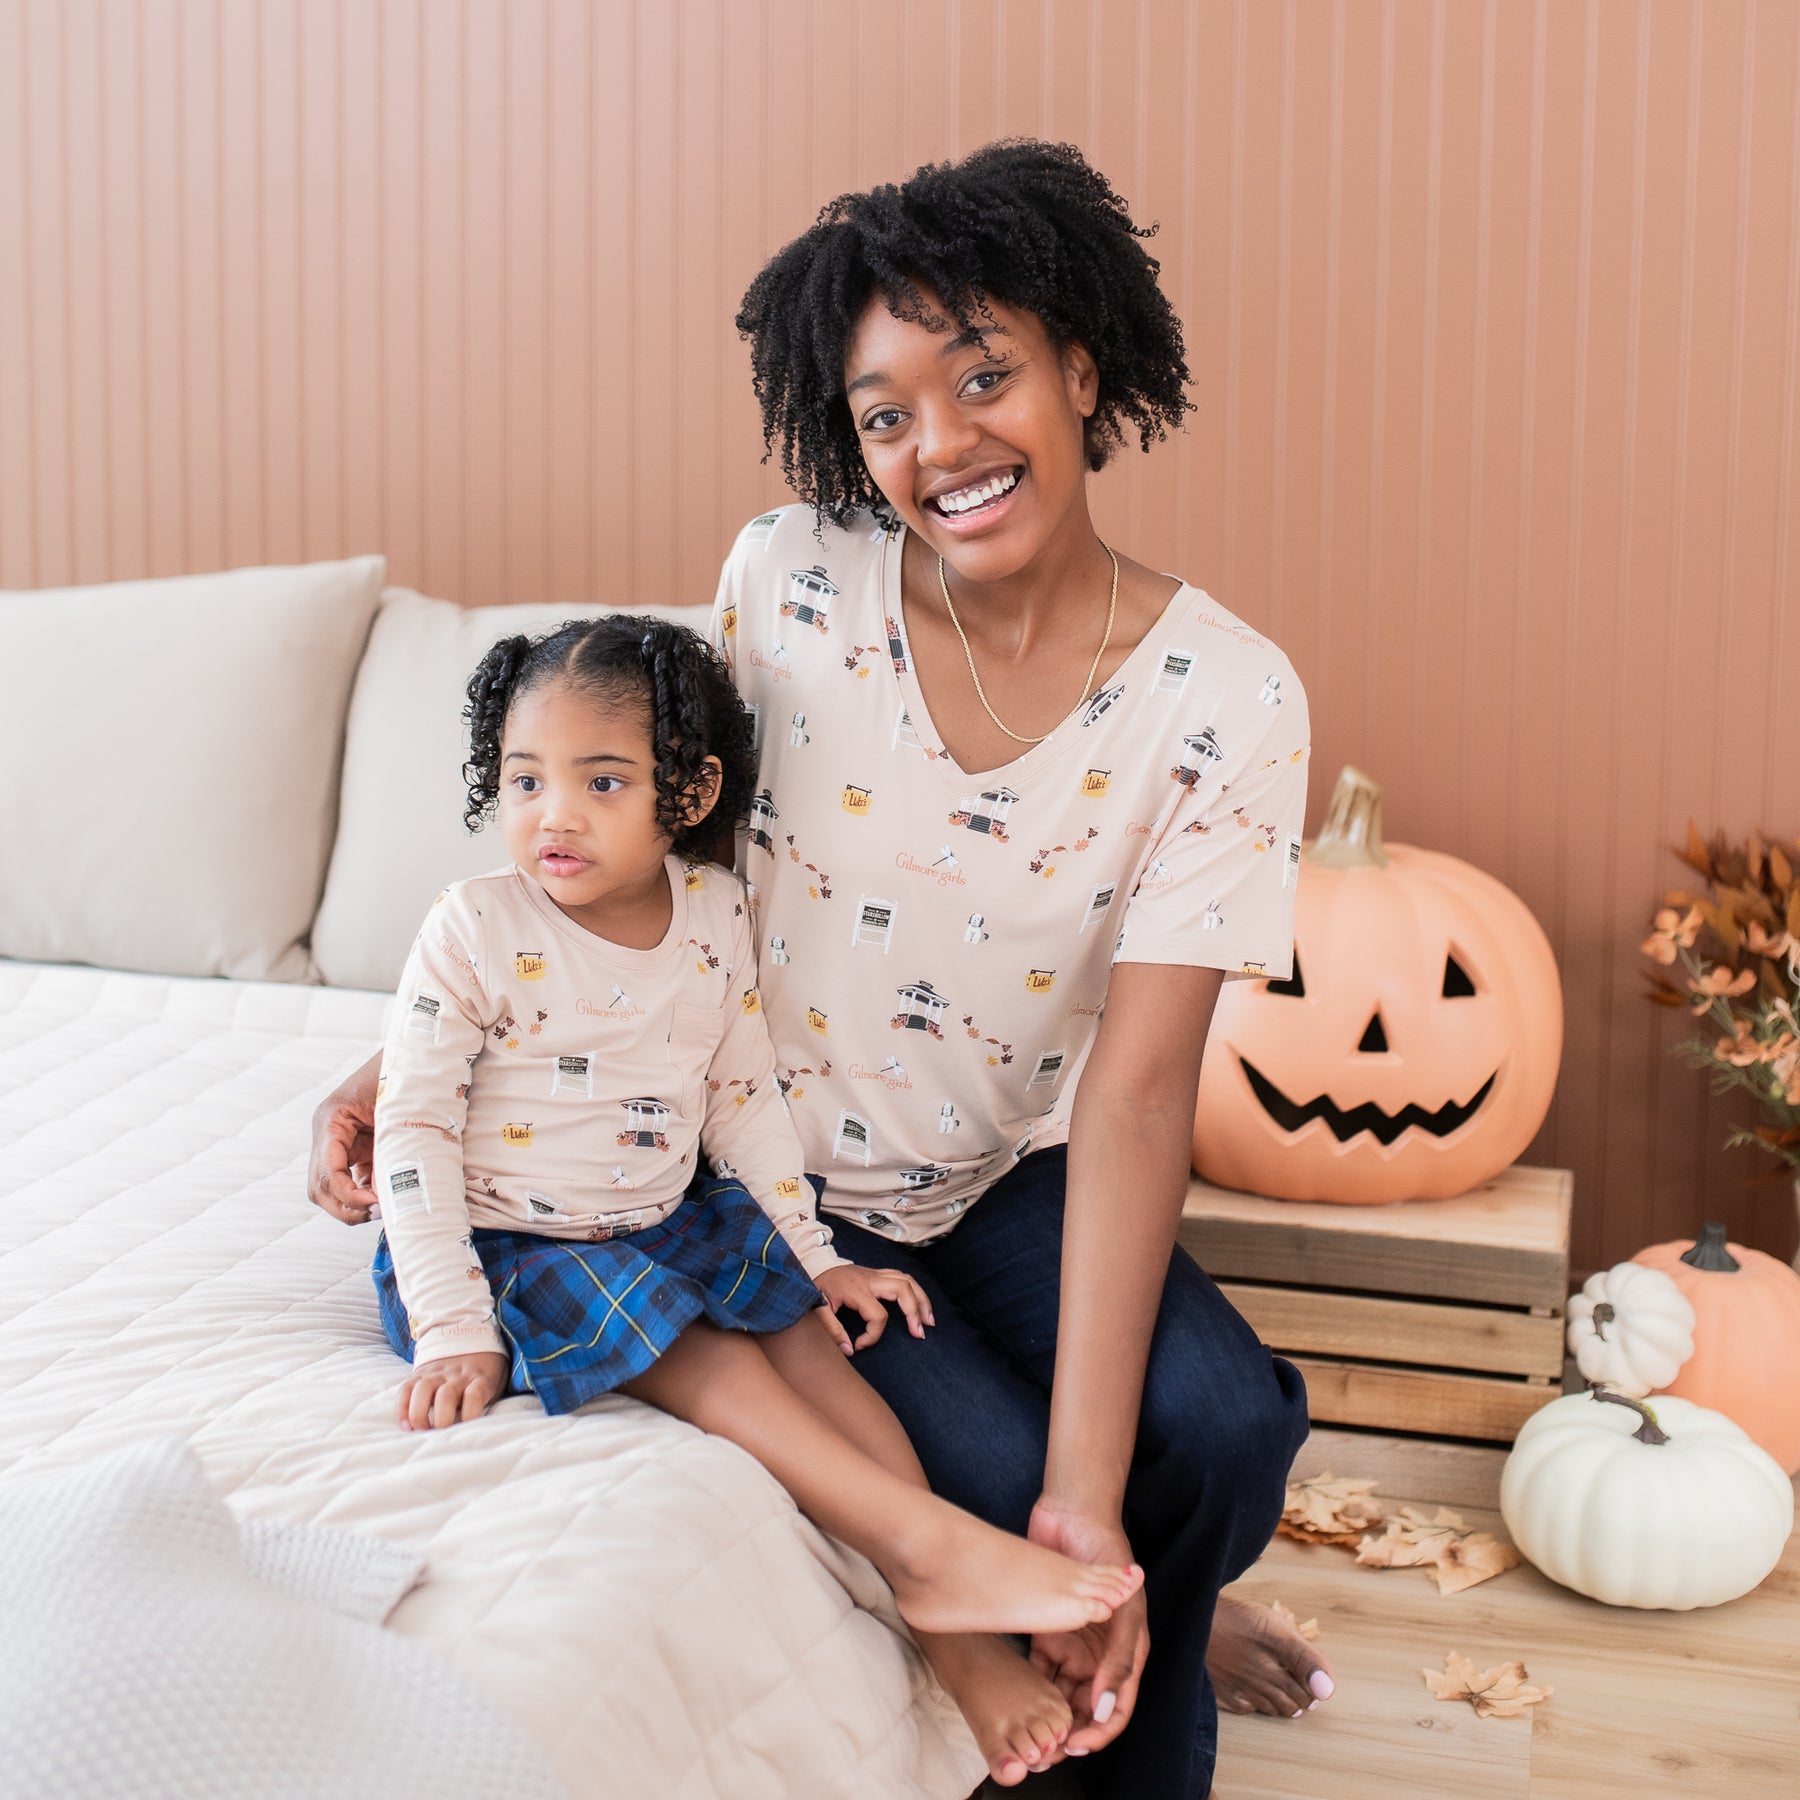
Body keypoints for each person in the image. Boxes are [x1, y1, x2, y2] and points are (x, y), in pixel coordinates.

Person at [311, 142, 1332, 1794]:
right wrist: (415, 1060)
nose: (943, 445)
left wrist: (1090, 1492)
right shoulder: (788, 577)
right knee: (987, 1475)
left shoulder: (1231, 698)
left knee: (1222, 1428)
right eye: (885, 413)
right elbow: (662, 845)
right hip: (752, 1157)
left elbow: (1144, 1092)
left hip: (1008, 1166)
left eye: (984, 375)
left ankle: (1147, 1579)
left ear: (1085, 364)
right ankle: (1134, 1632)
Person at [366, 611, 1143, 1772]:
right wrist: (450, 1323)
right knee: (710, 1357)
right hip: (512, 1250)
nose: (553, 814)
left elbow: (741, 1099)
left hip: (662, 1217)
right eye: (524, 779)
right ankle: (931, 1547)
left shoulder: (715, 914)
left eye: (602, 780)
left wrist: (813, 1254)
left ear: (686, 793)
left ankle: (956, 1638)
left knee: (810, 1349)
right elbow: (411, 1129)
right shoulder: (475, 926)